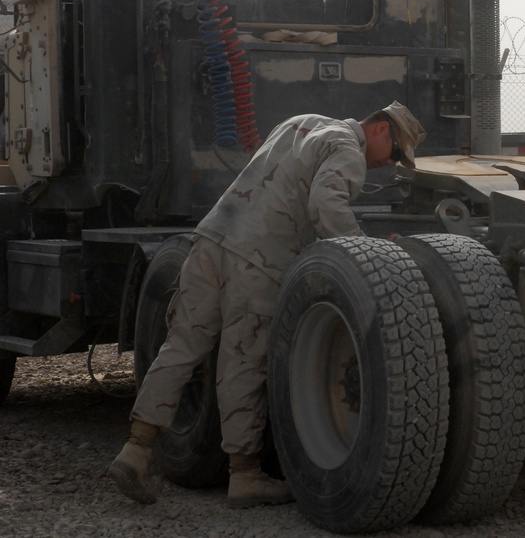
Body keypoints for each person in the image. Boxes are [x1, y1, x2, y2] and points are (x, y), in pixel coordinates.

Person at [109, 101, 427, 509]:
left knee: (182, 346)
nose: (391, 164)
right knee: (243, 363)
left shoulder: (303, 122)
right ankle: (244, 476)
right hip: (257, 260)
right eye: (396, 153)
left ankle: (135, 451)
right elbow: (326, 208)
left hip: (211, 241)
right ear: (381, 129)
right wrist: (370, 254)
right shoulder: (348, 148)